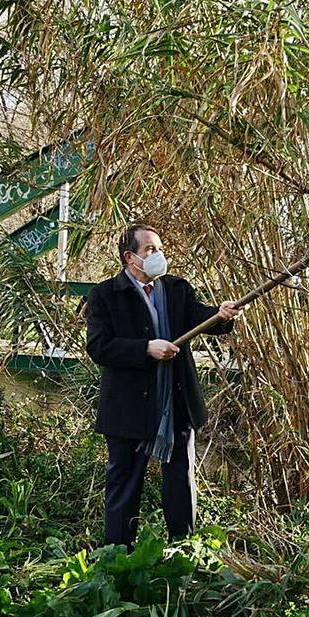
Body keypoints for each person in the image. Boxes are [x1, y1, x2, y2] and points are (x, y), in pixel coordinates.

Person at [85, 224, 240, 549]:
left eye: (159, 248)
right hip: (128, 409)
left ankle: (184, 552)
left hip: (175, 404)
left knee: (180, 483)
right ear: (130, 257)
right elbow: (100, 347)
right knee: (124, 485)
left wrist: (222, 315)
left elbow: (203, 319)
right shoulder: (105, 295)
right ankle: (117, 557)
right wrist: (146, 348)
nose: (158, 255)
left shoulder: (175, 289)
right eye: (150, 250)